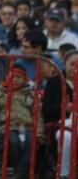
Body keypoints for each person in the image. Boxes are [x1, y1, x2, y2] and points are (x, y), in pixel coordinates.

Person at [0, 64, 45, 177]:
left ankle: (20, 173)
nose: (15, 80)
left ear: (24, 79)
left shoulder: (31, 94)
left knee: (30, 141)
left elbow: (38, 116)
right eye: (12, 76)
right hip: (6, 128)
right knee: (13, 140)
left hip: (27, 128)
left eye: (18, 77)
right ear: (7, 76)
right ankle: (19, 170)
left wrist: (39, 133)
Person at [42, 50, 77, 179]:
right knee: (67, 136)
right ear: (64, 64)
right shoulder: (54, 82)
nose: (75, 68)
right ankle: (64, 174)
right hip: (59, 123)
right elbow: (46, 109)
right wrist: (64, 108)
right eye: (72, 64)